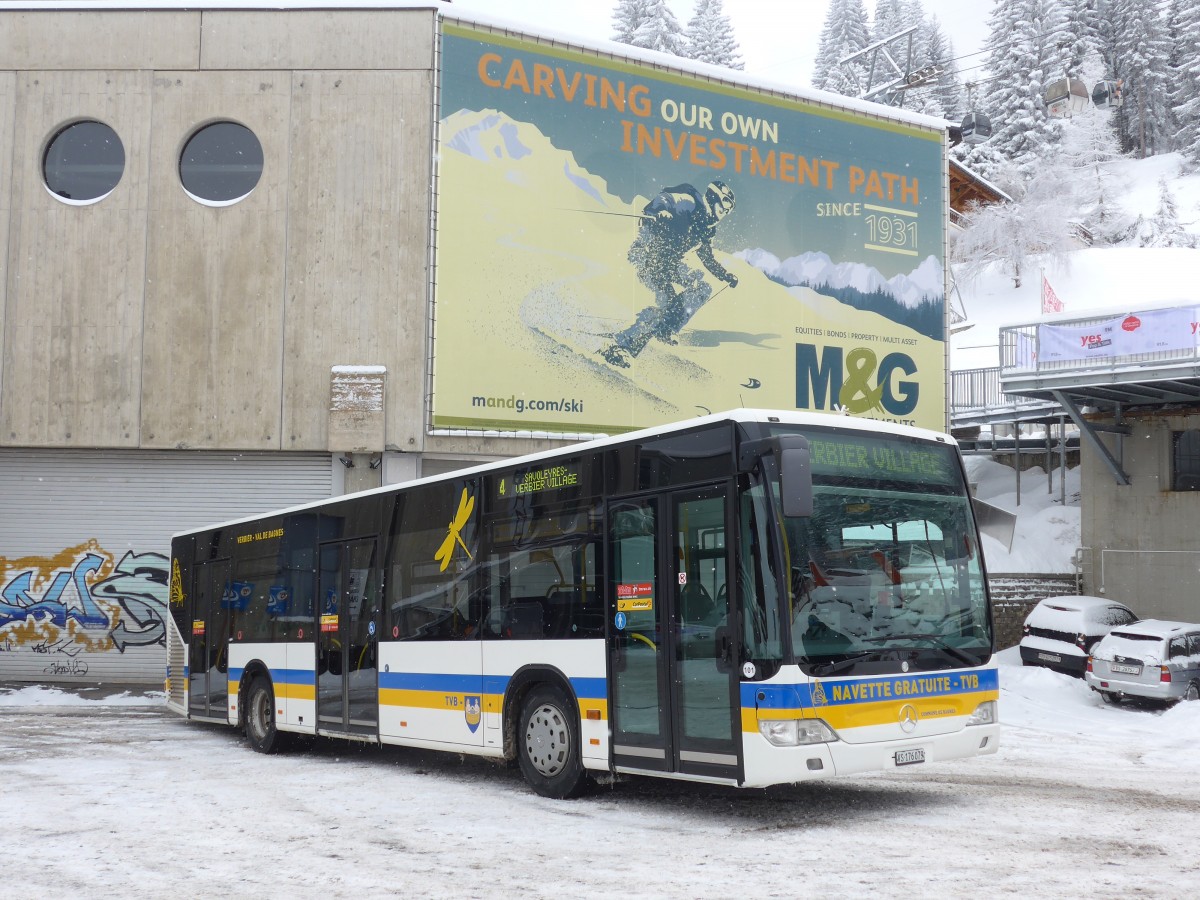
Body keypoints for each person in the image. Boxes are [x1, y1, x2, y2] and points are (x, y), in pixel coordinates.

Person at [600, 180, 739, 368]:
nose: (726, 211)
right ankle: (621, 344)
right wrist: (659, 212)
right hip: (650, 253)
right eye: (725, 204)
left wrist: (725, 275)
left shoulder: (707, 227)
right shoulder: (690, 201)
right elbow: (664, 199)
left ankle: (668, 329)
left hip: (669, 262)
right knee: (667, 304)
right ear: (714, 197)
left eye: (730, 208)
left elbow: (707, 257)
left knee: (702, 288)